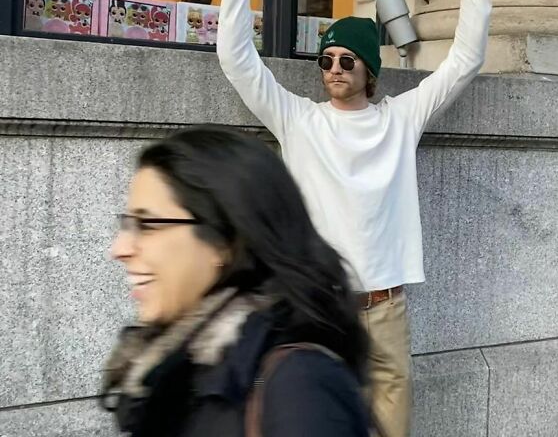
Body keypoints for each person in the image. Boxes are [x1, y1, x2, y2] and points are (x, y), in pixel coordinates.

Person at [217, 0, 491, 437]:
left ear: (370, 69)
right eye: (326, 58)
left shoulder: (401, 118)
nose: (334, 68)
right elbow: (237, 59)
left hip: (385, 310)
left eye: (347, 59)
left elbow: (464, 60)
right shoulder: (299, 120)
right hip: (318, 307)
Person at [103, 125, 370, 437]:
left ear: (224, 240)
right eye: (127, 224)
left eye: (147, 224)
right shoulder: (175, 367)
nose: (119, 250)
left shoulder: (299, 385)